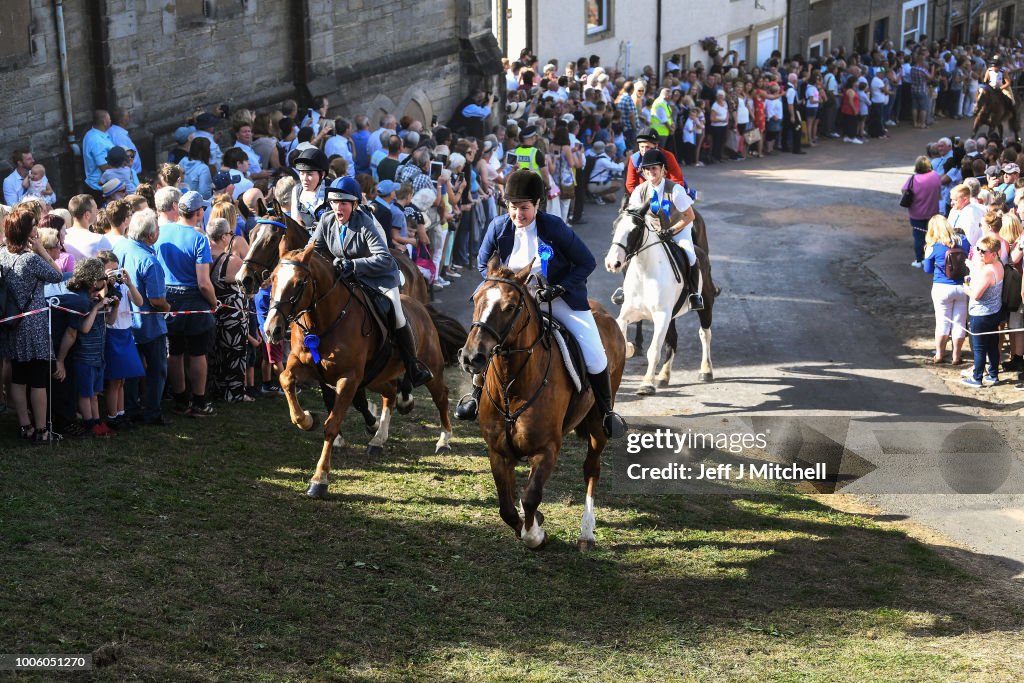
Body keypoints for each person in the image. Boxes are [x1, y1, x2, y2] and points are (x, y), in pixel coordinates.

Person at [455, 169, 626, 438]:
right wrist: (500, 285)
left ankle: (605, 412)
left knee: (594, 353)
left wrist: (560, 287)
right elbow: (482, 263)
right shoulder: (499, 227)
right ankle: (476, 395)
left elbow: (586, 262)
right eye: (513, 208)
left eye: (524, 208)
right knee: (482, 336)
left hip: (555, 299)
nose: (518, 215)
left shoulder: (554, 228)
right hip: (511, 300)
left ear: (537, 205)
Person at [308, 176, 433, 387]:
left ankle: (413, 366)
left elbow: (384, 258)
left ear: (355, 204)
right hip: (347, 278)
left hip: (378, 277)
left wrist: (354, 265)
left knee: (397, 313)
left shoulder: (365, 223)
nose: (338, 208)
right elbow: (313, 250)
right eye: (335, 202)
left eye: (344, 203)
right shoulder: (327, 220)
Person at [0, 208, 64, 442]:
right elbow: (58, 275)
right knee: (38, 381)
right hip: (34, 326)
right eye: (34, 225)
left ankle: (24, 425)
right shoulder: (30, 259)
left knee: (18, 378)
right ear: (27, 231)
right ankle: (41, 430)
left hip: (12, 323)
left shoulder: (2, 255)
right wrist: (40, 250)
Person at [153, 188, 218, 417]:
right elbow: (203, 282)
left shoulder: (160, 232)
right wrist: (214, 302)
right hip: (193, 299)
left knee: (175, 351)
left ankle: (181, 400)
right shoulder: (199, 238)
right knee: (198, 353)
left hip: (167, 299)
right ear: (198, 212)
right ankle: (199, 402)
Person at [113, 208, 171, 426]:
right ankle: (152, 413)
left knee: (129, 371)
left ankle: (130, 408)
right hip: (149, 325)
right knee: (156, 371)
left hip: (124, 323)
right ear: (151, 235)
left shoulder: (120, 247)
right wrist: (167, 306)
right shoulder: (150, 261)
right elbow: (156, 299)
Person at [626, 149, 703, 310]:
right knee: (629, 254)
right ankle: (626, 291)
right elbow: (632, 216)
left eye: (654, 168)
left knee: (689, 255)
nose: (651, 172)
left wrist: (671, 231)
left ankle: (694, 294)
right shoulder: (640, 191)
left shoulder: (675, 190)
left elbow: (689, 216)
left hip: (678, 229)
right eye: (647, 169)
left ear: (662, 169)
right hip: (652, 231)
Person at [53, 258, 119, 437]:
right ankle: (89, 424)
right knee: (85, 393)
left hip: (98, 357)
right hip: (83, 357)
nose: (102, 286)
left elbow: (110, 321)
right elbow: (82, 329)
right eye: (100, 282)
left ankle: (97, 421)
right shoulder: (83, 302)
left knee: (94, 393)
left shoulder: (91, 298)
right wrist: (97, 308)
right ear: (92, 281)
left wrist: (113, 307)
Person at [97, 250, 145, 430]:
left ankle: (121, 413)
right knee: (114, 379)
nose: (115, 275)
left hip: (125, 332)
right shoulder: (102, 288)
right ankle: (112, 416)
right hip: (112, 334)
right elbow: (102, 300)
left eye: (117, 270)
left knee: (122, 379)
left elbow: (140, 302)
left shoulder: (124, 286)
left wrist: (130, 283)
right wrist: (106, 283)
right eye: (111, 271)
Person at [206, 217, 250, 402]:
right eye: (230, 234)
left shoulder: (205, 258)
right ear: (224, 236)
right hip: (234, 316)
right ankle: (234, 394)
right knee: (236, 354)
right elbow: (251, 287)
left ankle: (217, 390)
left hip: (216, 313)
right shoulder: (233, 261)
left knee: (217, 354)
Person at [922, 215, 969, 365]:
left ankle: (940, 354)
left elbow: (927, 269)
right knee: (959, 322)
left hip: (941, 287)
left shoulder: (933, 245)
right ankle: (956, 356)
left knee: (942, 322)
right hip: (961, 287)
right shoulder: (963, 241)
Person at [961, 234, 1004, 387]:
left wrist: (966, 289)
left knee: (979, 348)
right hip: (994, 312)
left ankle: (977, 378)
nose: (979, 253)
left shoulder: (988, 271)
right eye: (978, 249)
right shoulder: (998, 264)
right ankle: (993, 375)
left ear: (993, 253)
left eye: (983, 251)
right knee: (992, 345)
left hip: (981, 314)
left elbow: (977, 295)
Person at [901, 156, 942, 267]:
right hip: (933, 212)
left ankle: (919, 260)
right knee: (932, 237)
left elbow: (904, 190)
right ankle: (930, 260)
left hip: (916, 214)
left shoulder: (913, 179)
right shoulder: (935, 176)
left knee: (918, 237)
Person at [290, 147, 330, 233]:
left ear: (322, 174)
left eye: (309, 174)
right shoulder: (297, 191)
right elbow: (296, 222)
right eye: (302, 173)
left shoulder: (332, 191)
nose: (304, 178)